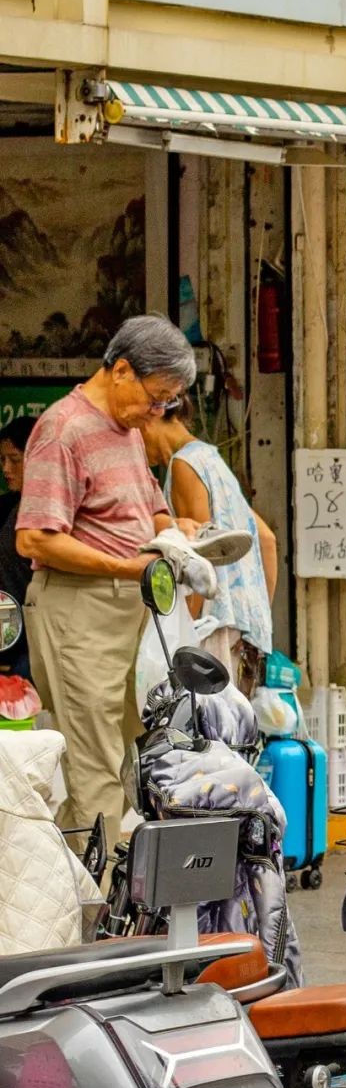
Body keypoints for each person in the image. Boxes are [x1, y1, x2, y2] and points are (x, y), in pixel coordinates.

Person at [15, 314, 209, 847]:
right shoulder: (63, 429)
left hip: (135, 612)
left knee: (134, 751)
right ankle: (99, 914)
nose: (158, 411)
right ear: (121, 370)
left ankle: (78, 878)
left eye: (168, 401)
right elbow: (35, 539)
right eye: (157, 396)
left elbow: (154, 507)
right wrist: (129, 567)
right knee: (94, 762)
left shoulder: (127, 430)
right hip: (82, 612)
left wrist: (178, 536)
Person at [140, 397, 277, 693]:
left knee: (206, 731)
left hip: (212, 626)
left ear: (154, 416)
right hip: (243, 629)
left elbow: (199, 559)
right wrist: (256, 613)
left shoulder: (184, 465)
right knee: (235, 731)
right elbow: (266, 540)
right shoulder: (211, 460)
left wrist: (183, 635)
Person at [0, 416, 34, 678]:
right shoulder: (9, 507)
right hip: (9, 634)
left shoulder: (46, 513)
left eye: (14, 459)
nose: (6, 468)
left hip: (31, 642)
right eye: (2, 460)